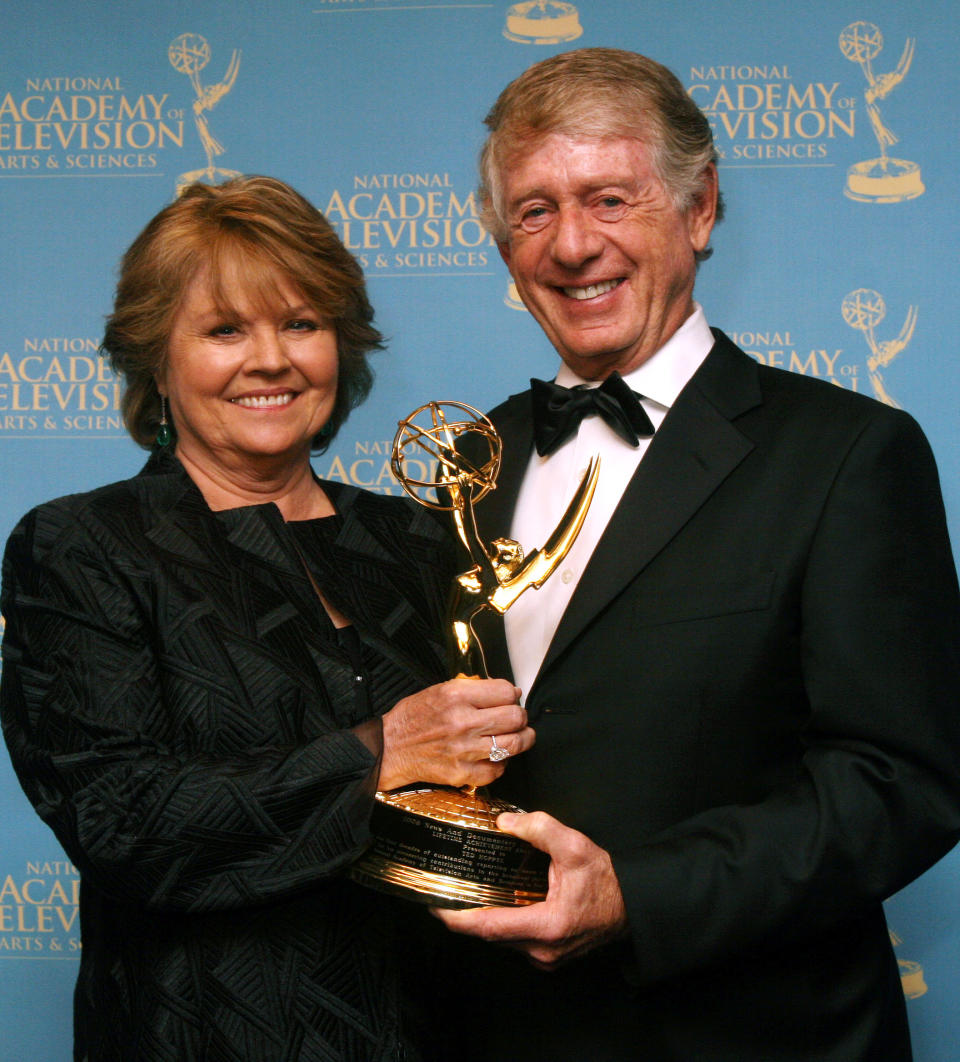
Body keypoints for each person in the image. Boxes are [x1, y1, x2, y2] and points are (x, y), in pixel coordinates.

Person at [429, 49, 960, 1061]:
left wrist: (635, 896)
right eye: (534, 211)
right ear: (503, 246)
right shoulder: (472, 460)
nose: (573, 245)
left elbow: (900, 783)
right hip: (500, 1032)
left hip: (750, 1033)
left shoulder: (846, 454)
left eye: (610, 199)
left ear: (700, 207)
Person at [0, 175, 532, 1062]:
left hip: (440, 1028)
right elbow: (122, 821)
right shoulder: (83, 548)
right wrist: (376, 755)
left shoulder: (414, 538)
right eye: (223, 330)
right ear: (155, 360)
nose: (271, 360)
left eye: (301, 323)